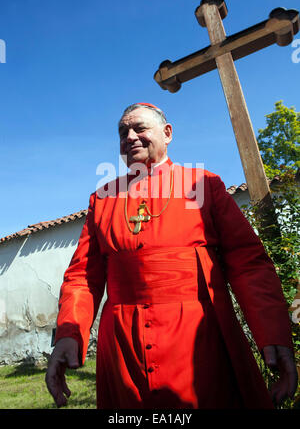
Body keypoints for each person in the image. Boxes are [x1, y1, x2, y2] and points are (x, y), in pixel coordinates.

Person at [45, 102, 298, 409]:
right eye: (122, 131)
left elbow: (249, 265)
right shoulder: (103, 198)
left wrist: (273, 331)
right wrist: (68, 334)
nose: (129, 137)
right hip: (123, 347)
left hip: (200, 339)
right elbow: (83, 277)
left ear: (167, 134)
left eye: (139, 128)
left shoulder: (203, 184)